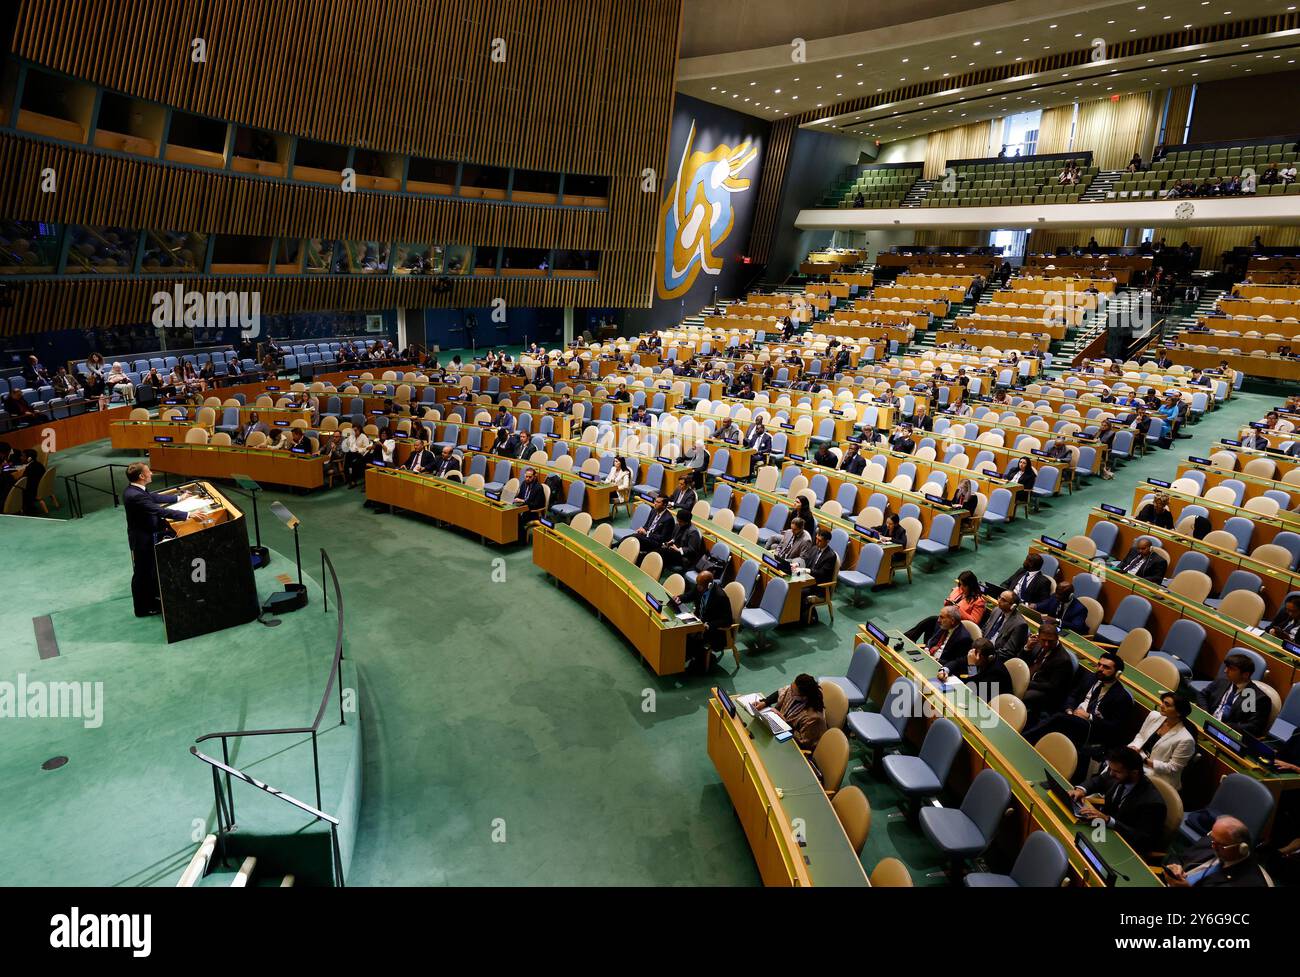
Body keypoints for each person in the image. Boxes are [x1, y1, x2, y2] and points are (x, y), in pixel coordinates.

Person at [1026, 652, 1133, 776]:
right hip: (1071, 716)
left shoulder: (1122, 697)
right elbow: (1073, 696)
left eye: (1106, 667)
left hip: (1091, 728)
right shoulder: (1091, 678)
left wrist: (1090, 717)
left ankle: (1025, 739)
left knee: (1058, 719)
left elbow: (1115, 728)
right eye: (1099, 665)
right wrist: (1069, 710)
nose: (1100, 669)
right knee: (1056, 716)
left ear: (1118, 673)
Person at [123, 462, 203, 617]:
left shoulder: (136, 489)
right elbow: (158, 510)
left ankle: (152, 599)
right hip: (141, 540)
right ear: (141, 476)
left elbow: (153, 497)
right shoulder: (134, 496)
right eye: (148, 471)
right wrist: (188, 515)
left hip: (147, 535)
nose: (151, 473)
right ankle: (142, 609)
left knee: (149, 571)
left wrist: (179, 497)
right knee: (142, 574)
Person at [1068, 747, 1167, 858]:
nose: (1110, 774)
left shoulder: (1153, 803)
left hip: (1124, 848)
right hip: (1101, 832)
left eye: (1116, 772)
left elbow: (1142, 838)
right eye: (1110, 769)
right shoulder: (1116, 774)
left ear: (1134, 773)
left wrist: (1109, 820)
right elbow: (1098, 781)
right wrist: (1081, 790)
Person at [1165, 816, 1272, 887]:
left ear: (1241, 848)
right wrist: (1175, 867)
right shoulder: (1216, 840)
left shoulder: (1248, 883)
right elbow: (1179, 857)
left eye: (1220, 845)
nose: (1213, 846)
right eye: (1212, 839)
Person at [1128, 692, 1197, 790]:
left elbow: (1173, 768)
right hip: (1139, 760)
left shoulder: (1186, 739)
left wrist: (1144, 760)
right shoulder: (1154, 716)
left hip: (1159, 777)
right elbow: (1141, 736)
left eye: (1167, 705)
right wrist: (1134, 748)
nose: (1161, 705)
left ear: (1179, 712)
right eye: (1163, 702)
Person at [1198, 652, 1270, 738]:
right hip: (1206, 723)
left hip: (1226, 734)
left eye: (1231, 669)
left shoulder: (1257, 698)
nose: (1225, 671)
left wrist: (1224, 726)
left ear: (1245, 674)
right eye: (1226, 667)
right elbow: (1202, 695)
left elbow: (1253, 726)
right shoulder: (1222, 681)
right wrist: (1205, 712)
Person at [680, 570, 733, 675]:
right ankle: (680, 661)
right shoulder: (699, 587)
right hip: (698, 622)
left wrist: (709, 625)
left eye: (700, 586)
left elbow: (727, 620)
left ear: (709, 585)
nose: (698, 588)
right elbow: (689, 595)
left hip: (715, 631)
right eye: (698, 585)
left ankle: (692, 665)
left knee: (690, 639)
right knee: (681, 632)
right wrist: (679, 598)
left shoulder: (720, 596)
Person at [1021, 619, 1074, 720]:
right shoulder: (1036, 644)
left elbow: (1052, 686)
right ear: (1038, 636)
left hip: (1043, 692)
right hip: (1027, 680)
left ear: (1057, 638)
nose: (1046, 644)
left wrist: (1027, 682)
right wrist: (1027, 648)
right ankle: (987, 712)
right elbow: (1021, 662)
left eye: (1050, 641)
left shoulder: (1063, 660)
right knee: (1001, 679)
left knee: (1022, 695)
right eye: (1043, 640)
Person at [760, 675, 827, 751]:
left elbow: (804, 743)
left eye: (792, 691)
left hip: (795, 747)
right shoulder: (794, 690)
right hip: (781, 728)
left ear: (803, 697)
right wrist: (765, 702)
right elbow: (782, 691)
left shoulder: (813, 718)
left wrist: (784, 724)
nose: (789, 690)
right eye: (791, 686)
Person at [918, 606, 973, 672]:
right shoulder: (943, 626)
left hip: (941, 667)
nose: (938, 620)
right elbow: (931, 640)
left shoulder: (964, 638)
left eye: (942, 617)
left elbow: (957, 663)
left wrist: (936, 660)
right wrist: (927, 649)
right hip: (928, 659)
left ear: (952, 620)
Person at [959, 638, 1012, 703]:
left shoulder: (996, 672)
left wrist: (972, 666)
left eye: (978, 656)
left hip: (993, 707)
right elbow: (958, 662)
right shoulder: (980, 658)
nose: (975, 658)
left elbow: (973, 690)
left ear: (989, 657)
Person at [802, 528, 838, 625]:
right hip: (808, 581)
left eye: (820, 540)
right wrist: (799, 564)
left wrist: (808, 570)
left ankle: (807, 618)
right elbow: (807, 560)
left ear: (827, 541)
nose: (817, 542)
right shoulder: (814, 549)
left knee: (799, 592)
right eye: (816, 539)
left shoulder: (830, 556)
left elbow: (822, 573)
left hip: (819, 587)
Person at [981, 590, 1029, 661]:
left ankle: (972, 671)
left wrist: (988, 656)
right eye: (999, 597)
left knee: (973, 665)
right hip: (982, 648)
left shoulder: (1020, 624)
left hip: (994, 657)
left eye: (1003, 600)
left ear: (1013, 606)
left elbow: (1008, 652)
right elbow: (984, 629)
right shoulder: (996, 610)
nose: (999, 601)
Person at [660, 508, 703, 576]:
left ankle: (659, 573)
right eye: (677, 520)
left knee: (664, 553)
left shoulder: (693, 532)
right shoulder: (678, 525)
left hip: (685, 558)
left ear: (687, 522)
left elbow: (692, 550)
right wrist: (670, 542)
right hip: (675, 552)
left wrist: (679, 550)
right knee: (660, 548)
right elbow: (674, 538)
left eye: (680, 521)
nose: (678, 523)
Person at [516, 468, 548, 532]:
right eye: (526, 476)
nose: (527, 479)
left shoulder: (538, 487)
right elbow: (519, 496)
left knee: (516, 521)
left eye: (530, 477)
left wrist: (524, 501)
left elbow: (537, 504)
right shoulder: (524, 484)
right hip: (522, 508)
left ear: (534, 476)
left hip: (532, 512)